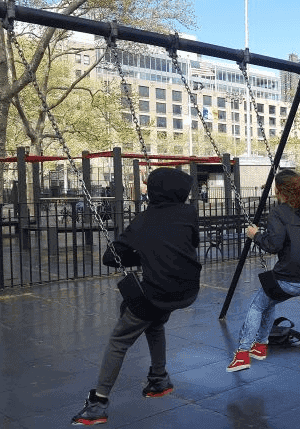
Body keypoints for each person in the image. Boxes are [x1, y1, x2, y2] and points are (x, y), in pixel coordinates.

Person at [71, 167, 202, 426]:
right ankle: (159, 378)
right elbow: (191, 242)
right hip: (187, 290)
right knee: (155, 323)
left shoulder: (143, 221)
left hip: (156, 292)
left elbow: (111, 257)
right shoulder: (189, 213)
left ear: (154, 192)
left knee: (119, 341)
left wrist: (142, 253)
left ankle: (98, 404)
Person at [227, 169, 300, 372]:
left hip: (287, 279)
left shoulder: (279, 211)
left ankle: (242, 355)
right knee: (269, 299)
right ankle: (260, 346)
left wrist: (255, 235)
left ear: (278, 189)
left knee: (256, 307)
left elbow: (273, 245)